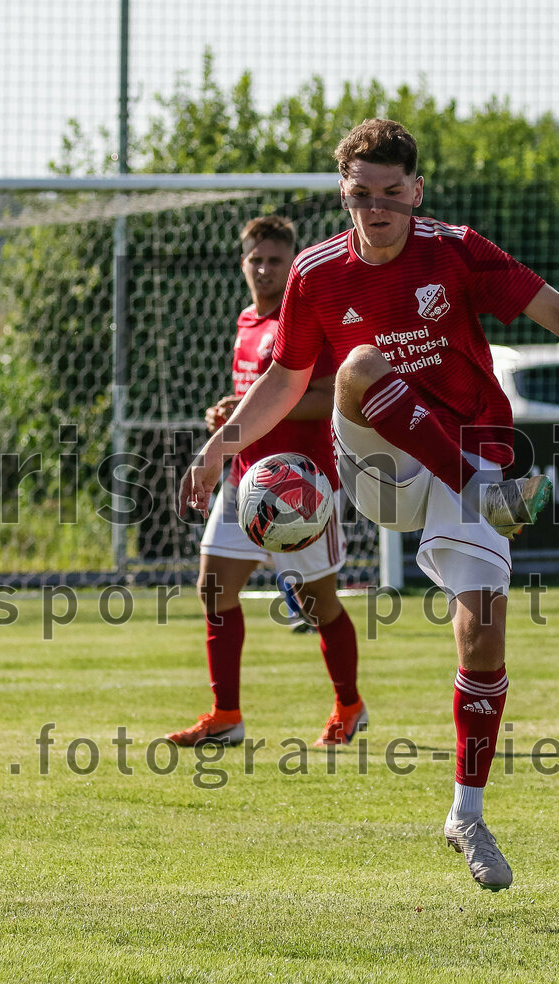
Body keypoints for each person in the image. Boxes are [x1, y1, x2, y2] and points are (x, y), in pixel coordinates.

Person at [180, 120, 559, 890]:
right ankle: (478, 486)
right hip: (381, 460)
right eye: (363, 194)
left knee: (483, 629)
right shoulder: (316, 273)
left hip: (474, 444)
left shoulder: (455, 249)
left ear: (415, 192)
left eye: (393, 193)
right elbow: (289, 381)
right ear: (344, 194)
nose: (378, 207)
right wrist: (222, 443)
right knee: (359, 363)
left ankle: (467, 813)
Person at [167, 215, 366, 748]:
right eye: (256, 258)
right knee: (213, 589)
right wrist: (226, 418)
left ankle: (349, 706)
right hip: (243, 484)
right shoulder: (246, 321)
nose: (265, 268)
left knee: (317, 603)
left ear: (291, 263)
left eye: (276, 260)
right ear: (243, 263)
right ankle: (226, 714)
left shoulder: (307, 318)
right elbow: (253, 397)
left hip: (300, 489)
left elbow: (329, 398)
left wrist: (257, 412)